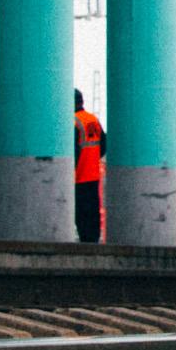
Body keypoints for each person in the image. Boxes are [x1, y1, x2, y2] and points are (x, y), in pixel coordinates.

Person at [73, 89, 105, 243]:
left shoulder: (73, 122)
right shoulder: (93, 120)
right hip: (93, 176)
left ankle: (85, 242)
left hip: (78, 178)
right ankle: (94, 241)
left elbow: (71, 153)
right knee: (93, 213)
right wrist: (92, 159)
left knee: (81, 215)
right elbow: (104, 145)